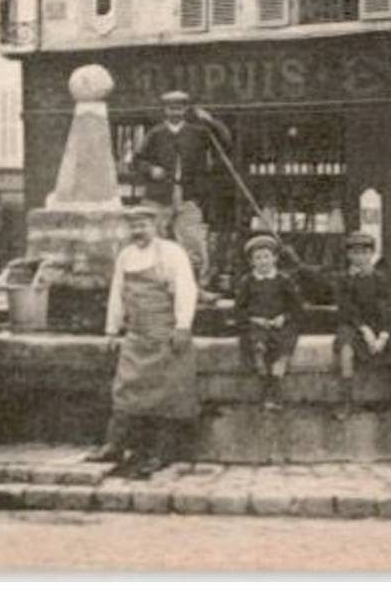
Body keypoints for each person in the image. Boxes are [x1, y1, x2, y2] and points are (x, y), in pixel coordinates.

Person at [86, 203, 198, 478]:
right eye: (133, 226)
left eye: (143, 225)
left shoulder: (172, 253)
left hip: (166, 335)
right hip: (136, 336)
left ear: (155, 226)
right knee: (125, 391)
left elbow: (186, 289)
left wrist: (183, 326)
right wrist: (112, 330)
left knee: (166, 396)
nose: (138, 231)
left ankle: (161, 453)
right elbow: (117, 294)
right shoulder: (125, 256)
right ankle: (114, 445)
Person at [128, 90, 232, 281]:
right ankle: (155, 281)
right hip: (158, 196)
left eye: (179, 108)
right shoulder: (156, 133)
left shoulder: (198, 132)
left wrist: (210, 121)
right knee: (153, 238)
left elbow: (225, 141)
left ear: (185, 110)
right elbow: (137, 161)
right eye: (170, 108)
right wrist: (151, 170)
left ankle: (196, 285)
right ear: (165, 110)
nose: (175, 112)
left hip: (189, 196)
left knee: (193, 241)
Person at [331, 232, 391, 420]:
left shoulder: (382, 278)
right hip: (354, 326)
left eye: (365, 253)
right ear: (349, 255)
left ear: (372, 254)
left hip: (382, 327)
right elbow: (347, 309)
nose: (360, 257)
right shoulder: (342, 279)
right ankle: (346, 402)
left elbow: (389, 308)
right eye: (355, 253)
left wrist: (383, 335)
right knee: (346, 348)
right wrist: (365, 330)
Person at [234, 235, 302, 411]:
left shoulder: (283, 280)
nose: (263, 262)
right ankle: (265, 390)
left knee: (281, 350)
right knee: (259, 346)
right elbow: (239, 310)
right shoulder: (247, 282)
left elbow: (296, 308)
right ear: (251, 262)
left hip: (280, 324)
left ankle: (276, 392)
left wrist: (283, 317)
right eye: (258, 258)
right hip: (256, 324)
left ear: (275, 258)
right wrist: (253, 318)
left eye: (266, 257)